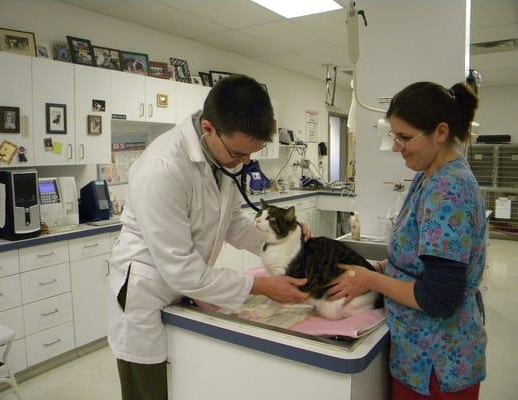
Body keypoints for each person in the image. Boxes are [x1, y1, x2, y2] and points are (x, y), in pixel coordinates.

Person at [108, 74, 310, 400]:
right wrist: (258, 286)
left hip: (185, 288)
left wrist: (281, 244)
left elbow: (231, 222)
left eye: (251, 154)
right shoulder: (162, 168)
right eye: (239, 154)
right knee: (149, 390)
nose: (244, 163)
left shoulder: (220, 159)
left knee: (188, 380)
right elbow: (180, 267)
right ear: (208, 129)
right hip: (147, 292)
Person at [328, 81, 487, 399]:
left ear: (440, 133)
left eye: (404, 137)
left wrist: (372, 279)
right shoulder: (427, 176)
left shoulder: (448, 191)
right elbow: (420, 257)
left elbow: (440, 298)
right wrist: (379, 266)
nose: (397, 146)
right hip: (416, 353)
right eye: (394, 135)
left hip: (438, 362)